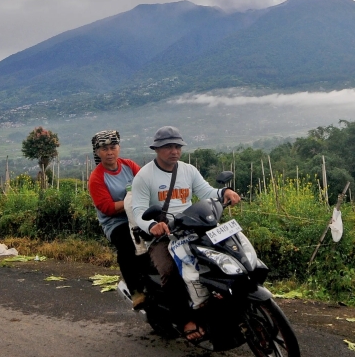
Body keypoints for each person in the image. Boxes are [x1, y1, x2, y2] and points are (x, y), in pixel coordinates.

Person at [131, 126, 241, 341]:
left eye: (177, 146)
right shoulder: (144, 176)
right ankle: (185, 320)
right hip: (163, 236)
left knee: (227, 256)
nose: (174, 151)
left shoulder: (188, 170)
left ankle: (228, 307)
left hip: (193, 228)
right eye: (168, 147)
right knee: (171, 271)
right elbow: (138, 210)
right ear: (157, 149)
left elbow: (206, 192)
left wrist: (224, 192)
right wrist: (152, 225)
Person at [87, 129, 146, 308]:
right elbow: (107, 208)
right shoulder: (97, 178)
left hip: (138, 215)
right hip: (116, 222)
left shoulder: (129, 166)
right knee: (128, 245)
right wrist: (130, 201)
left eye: (113, 147)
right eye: (104, 149)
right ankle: (136, 291)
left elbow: (146, 183)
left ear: (119, 148)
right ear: (98, 152)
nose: (110, 152)